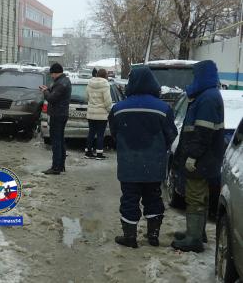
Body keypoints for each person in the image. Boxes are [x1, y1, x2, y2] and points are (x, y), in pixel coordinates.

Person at [109, 66, 177, 248]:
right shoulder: (163, 108)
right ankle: (153, 235)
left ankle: (130, 237)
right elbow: (171, 134)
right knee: (154, 198)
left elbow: (114, 133)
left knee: (129, 199)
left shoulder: (118, 109)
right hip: (154, 165)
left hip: (128, 164)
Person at [171, 60, 224, 253]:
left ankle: (193, 239)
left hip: (202, 158)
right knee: (200, 195)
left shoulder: (208, 98)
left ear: (203, 75)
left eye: (195, 75)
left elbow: (203, 131)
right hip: (205, 157)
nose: (193, 78)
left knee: (195, 196)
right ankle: (196, 232)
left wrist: (193, 156)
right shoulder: (206, 95)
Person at [39, 63, 71, 175]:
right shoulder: (64, 81)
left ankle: (56, 167)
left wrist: (45, 91)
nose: (51, 76)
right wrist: (48, 89)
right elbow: (56, 94)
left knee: (56, 141)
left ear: (56, 73)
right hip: (62, 114)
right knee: (60, 140)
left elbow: (52, 98)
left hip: (57, 115)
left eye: (52, 74)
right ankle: (61, 165)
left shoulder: (61, 83)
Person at [85, 69, 113, 160]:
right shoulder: (105, 84)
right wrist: (109, 110)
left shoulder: (90, 83)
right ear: (105, 75)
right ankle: (99, 153)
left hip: (91, 113)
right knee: (100, 134)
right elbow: (107, 101)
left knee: (91, 132)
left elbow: (86, 97)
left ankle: (88, 152)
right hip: (101, 114)